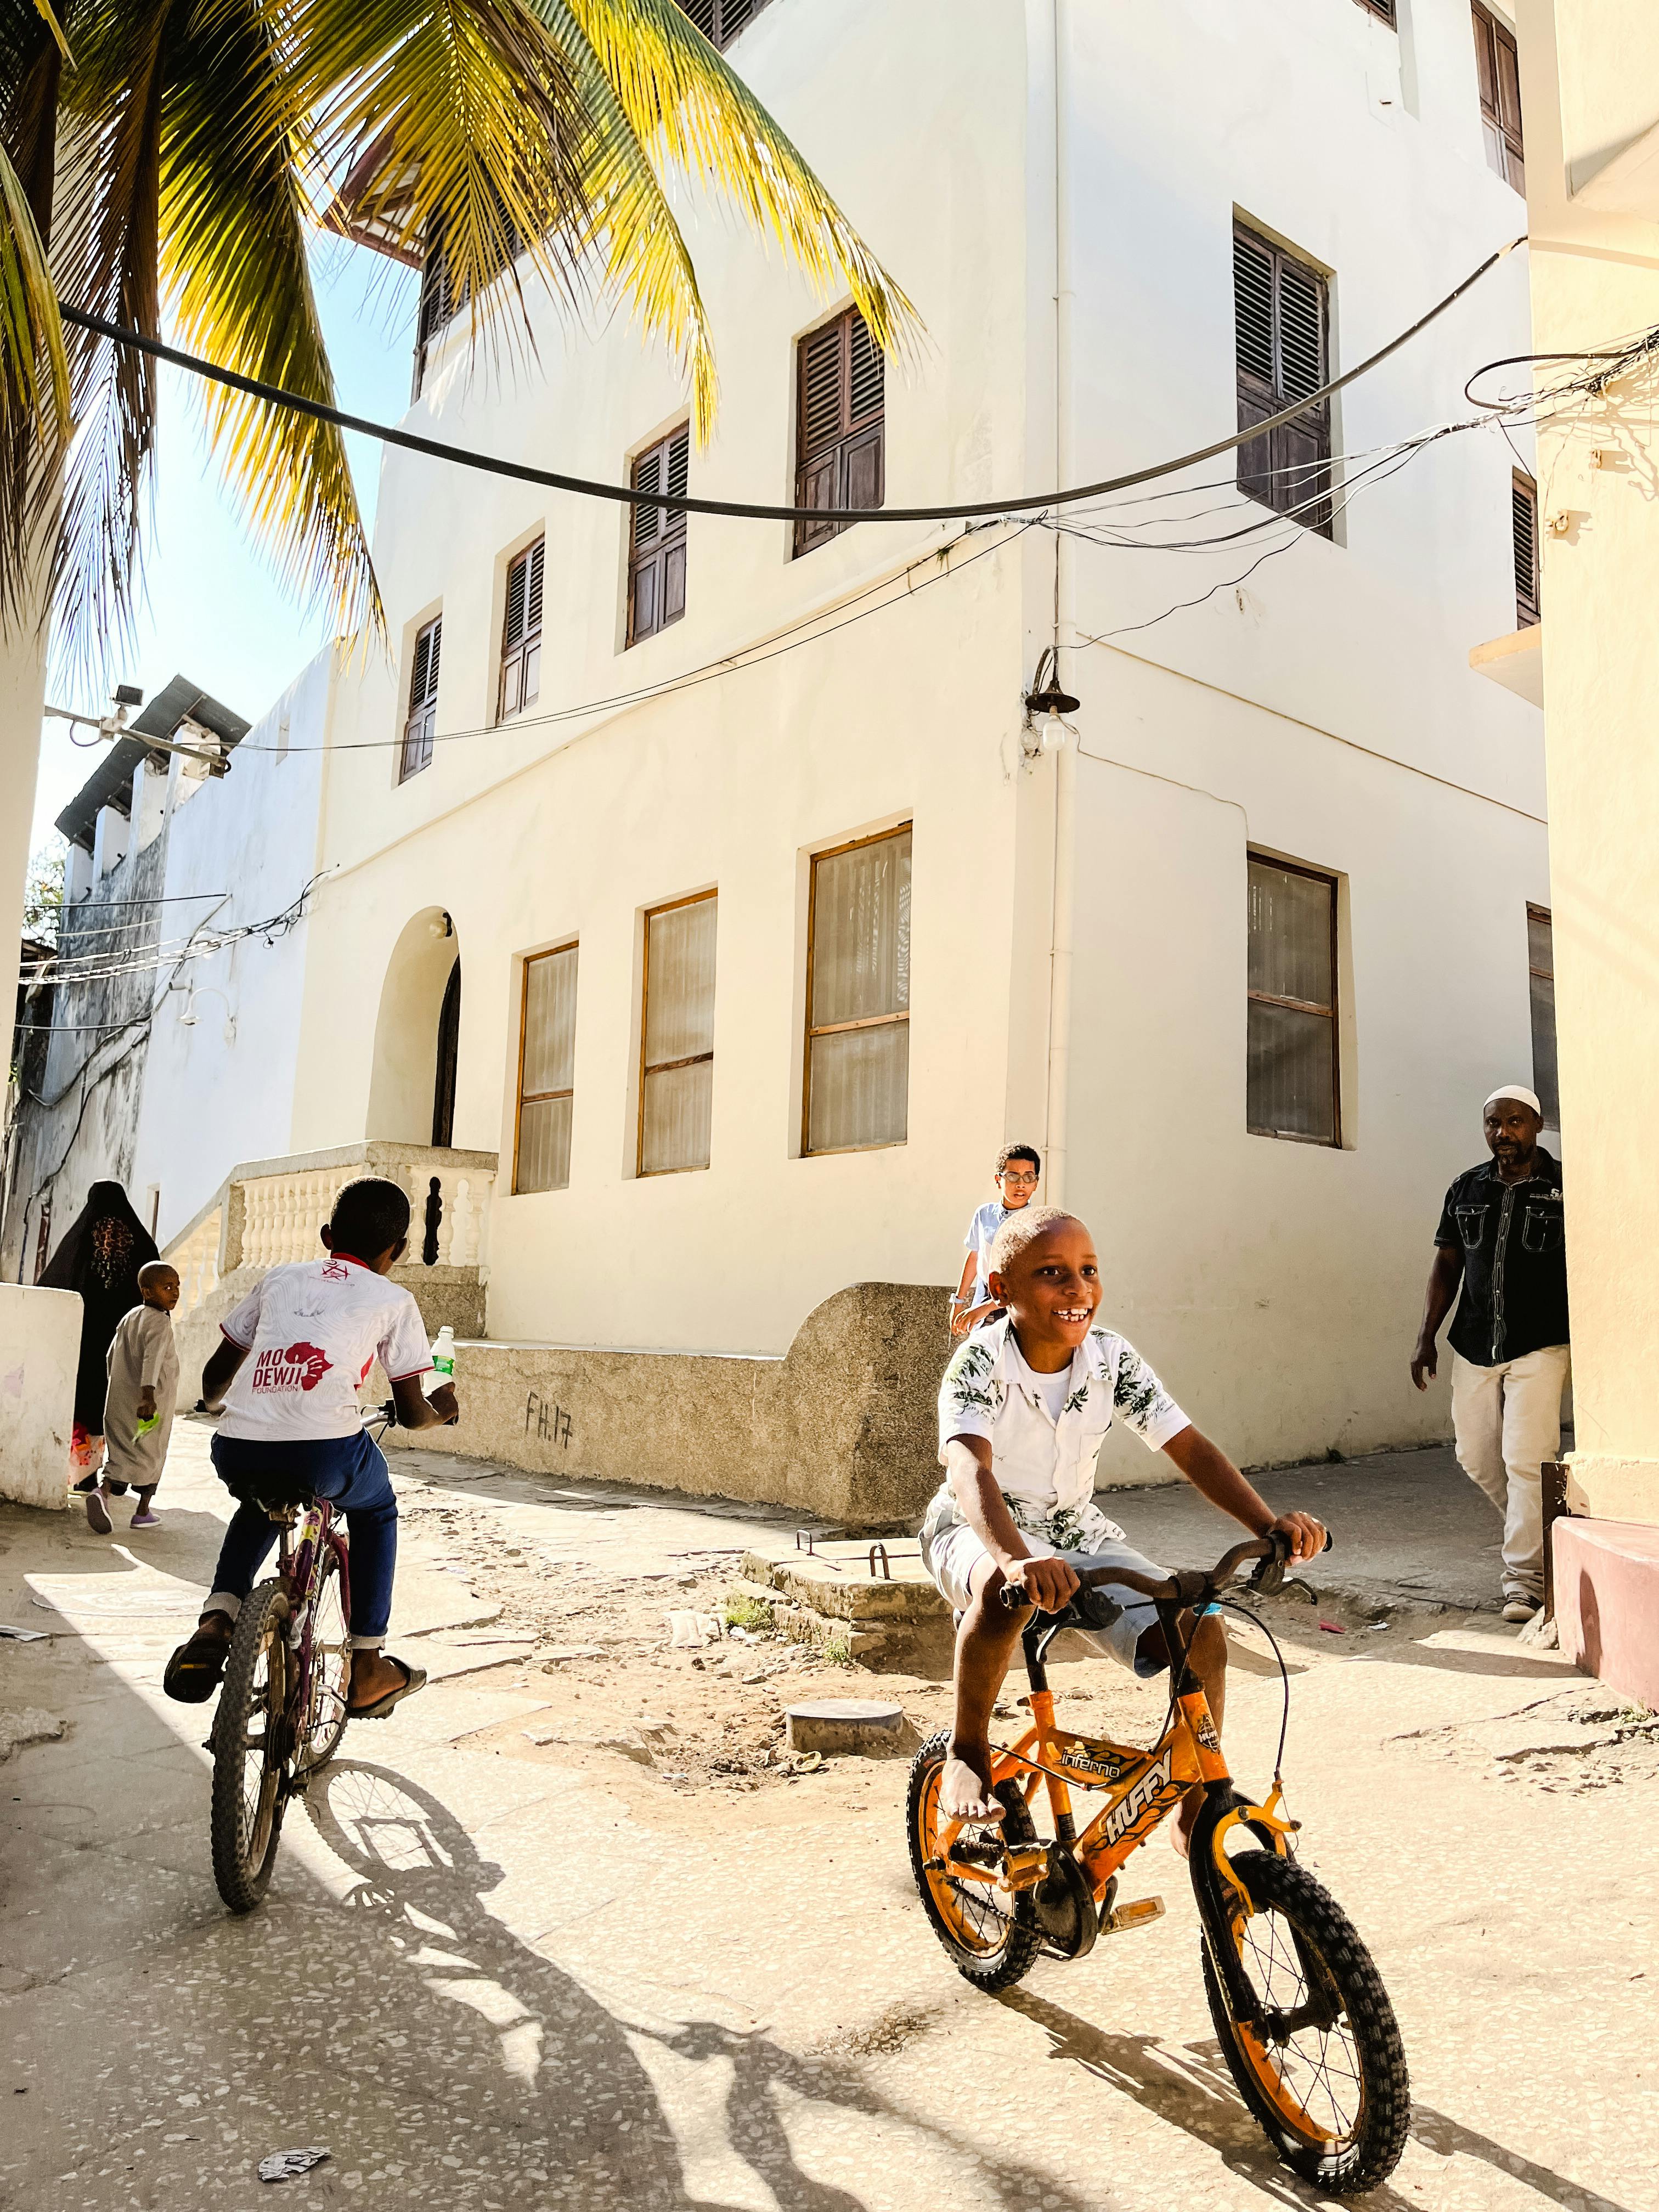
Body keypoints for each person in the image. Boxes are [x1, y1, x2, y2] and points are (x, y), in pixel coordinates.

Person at [922, 1205, 1325, 1843]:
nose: (1078, 1288)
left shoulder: (1111, 1359)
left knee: (1201, 1629)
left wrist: (1268, 1523)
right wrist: (1014, 1560)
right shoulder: (980, 1362)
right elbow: (971, 1471)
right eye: (1053, 1272)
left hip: (1078, 1534)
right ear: (1003, 1290)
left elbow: (1188, 1446)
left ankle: (1195, 1801)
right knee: (1003, 1601)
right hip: (978, 1531)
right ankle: (966, 1754)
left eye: (1089, 1270)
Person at [162, 1177, 458, 1718]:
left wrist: (217, 1404)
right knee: (376, 1508)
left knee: (259, 1498)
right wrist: (445, 1408)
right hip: (325, 1450)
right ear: (397, 1252)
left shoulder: (279, 1279)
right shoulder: (393, 1299)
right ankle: (367, 1668)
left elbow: (214, 1379)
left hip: (238, 1447)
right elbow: (413, 1414)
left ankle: (218, 1616)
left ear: (327, 1235)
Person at [1410, 1086, 1568, 1624]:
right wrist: (1426, 1335)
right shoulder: (1467, 1187)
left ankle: (1525, 1582)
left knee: (1528, 1458)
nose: (1504, 1133)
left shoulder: (1565, 1185)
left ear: (1538, 1125)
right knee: (1476, 1454)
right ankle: (1550, 1531)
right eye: (1493, 1123)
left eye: (1515, 1122)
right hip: (1475, 1339)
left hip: (1542, 1340)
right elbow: (1447, 1267)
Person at [38, 1181, 159, 1489]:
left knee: (84, 1403)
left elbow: (51, 1284)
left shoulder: (80, 1239)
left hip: (83, 1342)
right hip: (125, 1345)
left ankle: (85, 1475)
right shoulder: (142, 1245)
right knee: (116, 1407)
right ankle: (117, 1475)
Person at [86, 1261, 181, 1533]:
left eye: (176, 1287)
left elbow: (110, 1356)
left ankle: (102, 1493)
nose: (174, 1293)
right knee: (151, 1452)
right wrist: (148, 1396)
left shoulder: (131, 1316)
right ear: (147, 1292)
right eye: (167, 1287)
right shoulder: (160, 1322)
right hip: (150, 1407)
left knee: (123, 1452)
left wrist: (118, 1388)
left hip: (120, 1401)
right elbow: (152, 1361)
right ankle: (142, 1512)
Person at [950, 1143, 1041, 1338]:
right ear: (998, 1179)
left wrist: (986, 1309)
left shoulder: (1038, 1224)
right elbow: (975, 1256)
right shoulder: (984, 1215)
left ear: (1036, 1183)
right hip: (983, 1297)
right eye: (1012, 1176)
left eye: (1029, 1177)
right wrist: (958, 1302)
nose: (1021, 1184)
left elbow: (1027, 1281)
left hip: (1019, 1307)